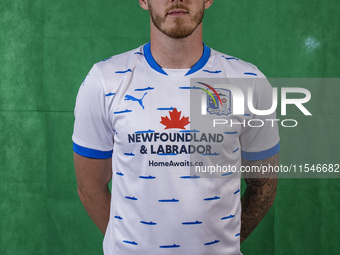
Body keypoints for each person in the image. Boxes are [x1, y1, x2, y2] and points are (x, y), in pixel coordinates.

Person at [72, 0, 280, 254]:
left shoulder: (248, 82)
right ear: (143, 0)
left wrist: (222, 245)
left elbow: (263, 188)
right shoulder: (103, 81)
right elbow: (89, 187)